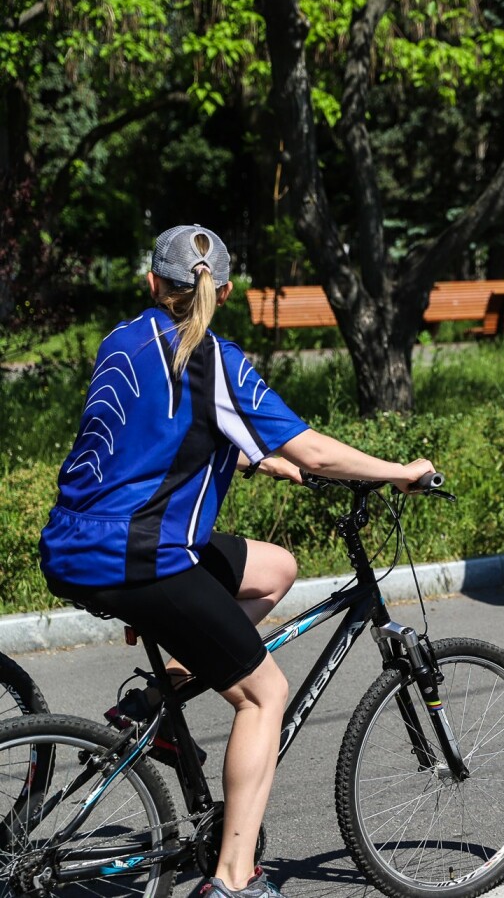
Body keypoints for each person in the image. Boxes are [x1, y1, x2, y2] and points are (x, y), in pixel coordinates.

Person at [38, 225, 435, 898]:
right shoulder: (216, 359)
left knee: (276, 569)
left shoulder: (122, 338)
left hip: (75, 544)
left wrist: (256, 457)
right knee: (265, 693)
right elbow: (313, 448)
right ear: (223, 291)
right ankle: (231, 881)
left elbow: (153, 431)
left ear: (150, 284)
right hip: (142, 557)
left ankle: (152, 702)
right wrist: (398, 471)